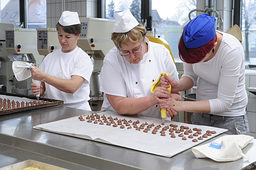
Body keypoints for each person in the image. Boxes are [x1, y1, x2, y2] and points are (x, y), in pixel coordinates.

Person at [161, 13, 249, 134]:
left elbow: (224, 103)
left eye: (198, 60)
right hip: (201, 116)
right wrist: (178, 85)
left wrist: (179, 105)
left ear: (214, 45)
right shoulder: (192, 42)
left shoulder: (231, 50)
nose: (195, 63)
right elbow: (190, 76)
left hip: (230, 118)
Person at [100, 10, 179, 118]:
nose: (132, 56)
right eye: (126, 52)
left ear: (144, 39)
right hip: (120, 122)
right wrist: (152, 99)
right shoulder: (112, 59)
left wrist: (171, 104)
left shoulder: (161, 53)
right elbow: (120, 105)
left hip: (156, 121)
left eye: (136, 49)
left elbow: (175, 91)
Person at [31, 11, 93, 110]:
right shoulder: (50, 57)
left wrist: (44, 77)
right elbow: (43, 85)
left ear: (78, 36)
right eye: (60, 35)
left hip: (77, 111)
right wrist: (40, 89)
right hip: (53, 109)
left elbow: (72, 87)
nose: (62, 40)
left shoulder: (82, 58)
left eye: (67, 37)